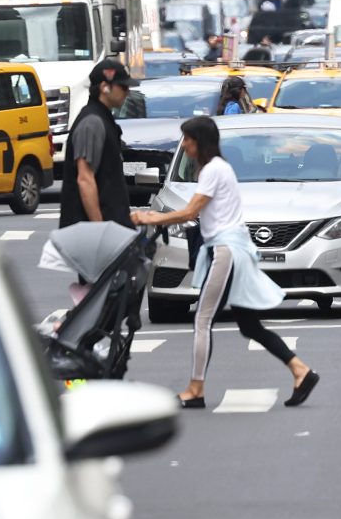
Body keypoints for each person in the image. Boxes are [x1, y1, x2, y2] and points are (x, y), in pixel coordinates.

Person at [134, 116, 316, 409]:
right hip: (234, 249)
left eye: (188, 139)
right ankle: (300, 371)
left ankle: (195, 389)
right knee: (249, 325)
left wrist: (153, 217)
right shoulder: (218, 168)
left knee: (203, 319)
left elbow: (190, 211)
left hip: (225, 251)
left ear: (200, 141)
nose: (184, 145)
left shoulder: (213, 170)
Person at [59, 61, 134, 230]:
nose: (127, 92)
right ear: (104, 87)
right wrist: (99, 230)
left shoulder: (103, 119)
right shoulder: (92, 122)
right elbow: (85, 179)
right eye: (122, 87)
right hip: (89, 236)